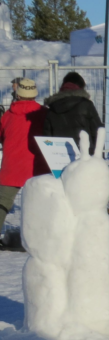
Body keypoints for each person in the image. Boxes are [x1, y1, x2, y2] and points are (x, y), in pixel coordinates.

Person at [0, 78, 48, 235]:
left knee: (3, 203)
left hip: (11, 166)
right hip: (37, 166)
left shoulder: (8, 115)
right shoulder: (44, 114)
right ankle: (39, 234)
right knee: (40, 203)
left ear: (18, 94)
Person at [42, 72, 104, 155]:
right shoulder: (86, 104)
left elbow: (47, 136)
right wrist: (98, 155)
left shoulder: (53, 106)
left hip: (59, 155)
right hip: (85, 155)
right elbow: (98, 132)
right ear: (81, 87)